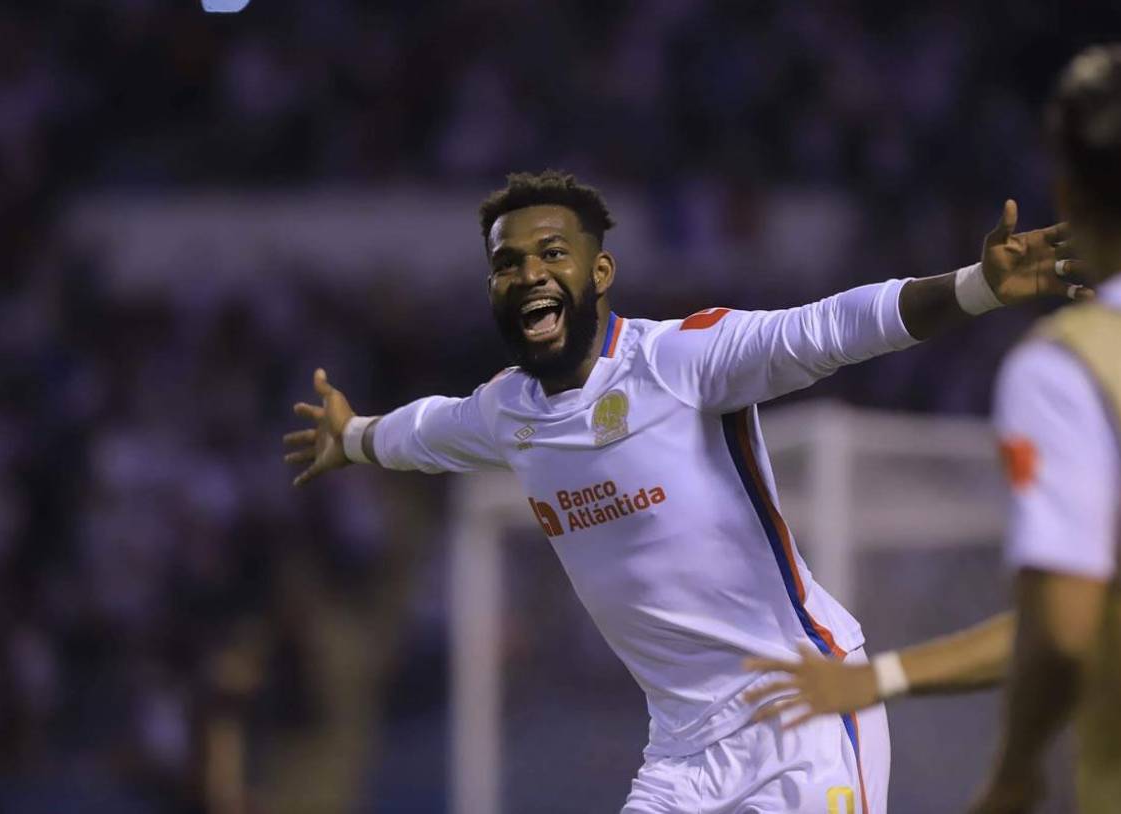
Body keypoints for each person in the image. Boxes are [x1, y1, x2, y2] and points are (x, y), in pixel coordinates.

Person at [283, 169, 1080, 814]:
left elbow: (831, 329)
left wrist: (976, 287)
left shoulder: (682, 360)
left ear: (599, 272)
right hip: (679, 755)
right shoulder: (506, 412)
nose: (529, 275)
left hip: (800, 711)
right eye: (507, 263)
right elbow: (422, 431)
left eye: (552, 253)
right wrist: (351, 437)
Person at [745, 45, 1121, 814]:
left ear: (1067, 193)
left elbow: (1065, 625)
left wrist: (1015, 771)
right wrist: (883, 677)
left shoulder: (1071, 369)